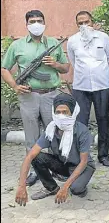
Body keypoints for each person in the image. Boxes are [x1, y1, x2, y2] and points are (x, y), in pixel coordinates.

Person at [1, 10, 70, 186]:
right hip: (29, 96)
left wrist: (55, 64)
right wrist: (15, 86)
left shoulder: (53, 43)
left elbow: (66, 68)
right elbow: (4, 68)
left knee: (54, 133)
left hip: (51, 95)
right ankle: (35, 170)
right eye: (32, 21)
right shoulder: (17, 46)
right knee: (32, 136)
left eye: (39, 20)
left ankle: (57, 168)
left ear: (44, 22)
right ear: (27, 24)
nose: (36, 24)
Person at [15, 93, 96, 206]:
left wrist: (65, 187)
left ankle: (79, 185)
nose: (61, 115)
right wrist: (22, 186)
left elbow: (83, 162)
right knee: (37, 157)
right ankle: (51, 188)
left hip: (82, 167)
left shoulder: (82, 131)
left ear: (72, 113)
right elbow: (30, 156)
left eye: (65, 112)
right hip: (64, 164)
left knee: (76, 189)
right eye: (58, 112)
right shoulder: (51, 130)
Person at [67, 11, 109, 167]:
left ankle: (103, 155)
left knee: (103, 120)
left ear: (92, 22)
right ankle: (81, 156)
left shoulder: (104, 38)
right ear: (77, 25)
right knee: (80, 122)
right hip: (81, 87)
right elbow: (73, 61)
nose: (84, 25)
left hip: (102, 86)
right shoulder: (72, 41)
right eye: (80, 23)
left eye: (87, 22)